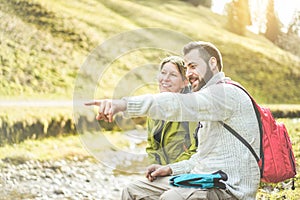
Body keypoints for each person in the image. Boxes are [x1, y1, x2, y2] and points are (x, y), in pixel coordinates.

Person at [85, 41, 261, 200]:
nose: (190, 73)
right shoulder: (211, 100)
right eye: (187, 68)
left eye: (193, 66)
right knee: (133, 191)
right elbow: (200, 159)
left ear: (212, 63)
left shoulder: (226, 94)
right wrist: (170, 169)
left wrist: (123, 104)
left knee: (172, 197)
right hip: (203, 179)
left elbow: (175, 104)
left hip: (230, 189)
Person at [146, 56, 198, 165]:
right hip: (162, 172)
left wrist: (170, 170)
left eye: (173, 75)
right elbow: (151, 146)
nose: (165, 79)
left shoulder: (193, 109)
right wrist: (154, 166)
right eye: (163, 73)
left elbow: (196, 150)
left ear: (185, 82)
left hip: (185, 173)